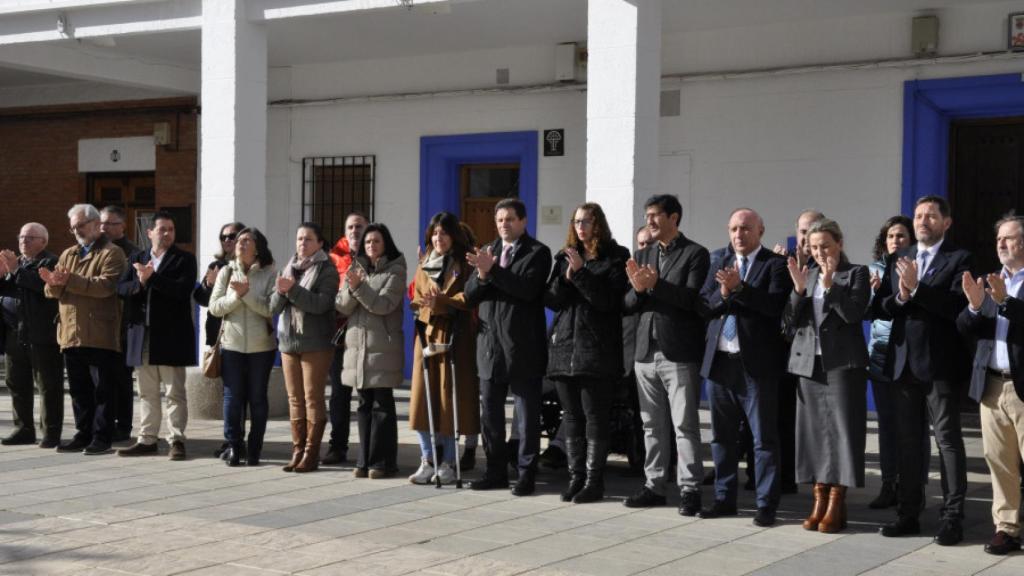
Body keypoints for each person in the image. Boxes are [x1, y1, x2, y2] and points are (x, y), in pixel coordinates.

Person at [874, 195, 972, 545]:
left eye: (931, 216)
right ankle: (909, 512)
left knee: (947, 440)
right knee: (908, 442)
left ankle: (952, 516)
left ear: (946, 222)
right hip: (903, 365)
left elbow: (956, 307)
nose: (922, 222)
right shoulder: (902, 257)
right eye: (918, 216)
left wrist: (917, 289)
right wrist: (901, 297)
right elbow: (882, 306)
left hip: (939, 365)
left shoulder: (960, 259)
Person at [698, 207, 791, 527]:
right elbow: (705, 305)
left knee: (763, 438)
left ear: (760, 232)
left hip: (756, 366)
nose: (739, 235)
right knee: (721, 438)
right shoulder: (717, 261)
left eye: (747, 229)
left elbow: (774, 306)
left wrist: (740, 289)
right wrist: (724, 293)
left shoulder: (775, 265)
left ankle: (766, 503)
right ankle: (724, 498)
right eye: (735, 229)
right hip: (721, 362)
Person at [621, 195, 710, 515]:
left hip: (679, 352)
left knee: (684, 425)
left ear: (674, 217)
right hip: (645, 351)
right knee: (650, 425)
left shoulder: (695, 254)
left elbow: (691, 299)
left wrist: (655, 285)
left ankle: (690, 489)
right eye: (647, 216)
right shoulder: (643, 252)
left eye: (656, 215)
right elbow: (628, 304)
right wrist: (640, 289)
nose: (650, 221)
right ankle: (654, 485)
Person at [783, 218, 870, 533]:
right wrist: (798, 290)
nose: (819, 252)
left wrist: (832, 286)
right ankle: (818, 497)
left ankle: (836, 499)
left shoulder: (856, 273)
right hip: (809, 366)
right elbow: (788, 324)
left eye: (826, 246)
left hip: (842, 366)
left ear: (840, 244)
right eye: (814, 247)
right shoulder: (807, 275)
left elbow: (854, 314)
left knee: (842, 434)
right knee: (814, 436)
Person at [464, 198, 552, 496]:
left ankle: (526, 473)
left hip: (523, 346)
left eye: (510, 219)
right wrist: (483, 273)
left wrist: (494, 272)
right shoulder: (488, 251)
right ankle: (495, 471)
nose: (504, 224)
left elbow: (527, 290)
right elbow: (470, 295)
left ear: (524, 221)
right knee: (490, 414)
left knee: (526, 416)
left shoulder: (538, 253)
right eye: (500, 219)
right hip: (490, 347)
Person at [545, 202, 628, 503]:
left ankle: (594, 481)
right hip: (565, 347)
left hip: (597, 350)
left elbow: (608, 301)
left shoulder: (616, 257)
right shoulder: (564, 255)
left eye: (587, 221)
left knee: (595, 417)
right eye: (577, 221)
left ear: (599, 224)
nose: (581, 227)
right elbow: (553, 301)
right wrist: (566, 277)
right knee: (572, 417)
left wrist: (580, 274)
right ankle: (575, 477)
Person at [957, 214, 1024, 555]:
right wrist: (973, 305)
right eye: (999, 239)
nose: (1001, 244)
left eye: (1009, 238)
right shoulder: (989, 280)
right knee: (999, 461)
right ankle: (1007, 528)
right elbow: (967, 329)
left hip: (1022, 387)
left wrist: (1006, 304)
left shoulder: (1005, 289)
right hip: (992, 385)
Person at [42, 204, 127, 455]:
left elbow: (106, 287)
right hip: (70, 332)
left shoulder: (113, 253)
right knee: (79, 390)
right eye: (73, 228)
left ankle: (102, 437)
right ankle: (83, 433)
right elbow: (51, 292)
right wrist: (53, 283)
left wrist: (69, 281)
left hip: (99, 332)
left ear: (95, 224)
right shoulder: (68, 254)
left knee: (102, 390)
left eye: (80, 225)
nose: (76, 231)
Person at [115, 212, 198, 461]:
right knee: (146, 392)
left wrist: (152, 279)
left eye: (171, 229)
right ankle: (147, 439)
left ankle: (176, 440)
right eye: (162, 229)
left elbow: (183, 291)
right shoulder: (136, 258)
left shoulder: (184, 259)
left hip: (170, 336)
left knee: (174, 392)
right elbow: (120, 288)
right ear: (149, 232)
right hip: (142, 335)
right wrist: (139, 284)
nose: (167, 234)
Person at [408, 212, 480, 485]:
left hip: (455, 339)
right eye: (435, 234)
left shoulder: (464, 264)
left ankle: (448, 461)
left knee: (448, 400)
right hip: (426, 337)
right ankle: (427, 460)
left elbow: (469, 296)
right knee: (421, 401)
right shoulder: (425, 261)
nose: (439, 238)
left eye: (444, 233)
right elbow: (415, 299)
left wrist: (444, 302)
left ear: (454, 236)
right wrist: (430, 305)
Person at [866, 215, 928, 509]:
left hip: (909, 356)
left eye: (902, 236)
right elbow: (867, 311)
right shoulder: (874, 271)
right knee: (888, 425)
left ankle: (915, 483)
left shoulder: (918, 267)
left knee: (915, 426)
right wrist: (872, 291)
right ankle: (889, 483)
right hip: (881, 356)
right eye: (891, 236)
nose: (896, 241)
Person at [336, 223, 406, 479]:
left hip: (383, 347)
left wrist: (358, 287)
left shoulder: (396, 270)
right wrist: (354, 285)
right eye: (367, 242)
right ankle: (363, 460)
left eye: (376, 241)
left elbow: (384, 304)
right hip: (358, 348)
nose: (371, 246)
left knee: (382, 405)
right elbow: (342, 306)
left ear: (385, 243)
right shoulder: (356, 270)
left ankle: (383, 462)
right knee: (363, 405)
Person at [271, 222, 340, 473]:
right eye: (299, 238)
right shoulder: (289, 268)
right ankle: (297, 450)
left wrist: (292, 290)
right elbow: (273, 308)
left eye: (308, 239)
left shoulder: (327, 269)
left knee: (312, 398)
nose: (302, 243)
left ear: (320, 243)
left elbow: (321, 304)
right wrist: (282, 292)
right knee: (294, 399)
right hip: (289, 342)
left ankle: (311, 453)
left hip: (316, 344)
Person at [209, 227, 277, 467]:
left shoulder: (269, 273)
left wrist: (246, 294)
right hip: (232, 346)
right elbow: (215, 307)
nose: (241, 243)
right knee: (232, 398)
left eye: (247, 240)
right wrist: (235, 298)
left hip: (261, 347)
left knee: (257, 398)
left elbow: (270, 309)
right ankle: (234, 447)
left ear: (258, 247)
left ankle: (255, 447)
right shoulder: (226, 271)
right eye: (239, 240)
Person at [0, 223, 63, 448]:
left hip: (41, 335)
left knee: (48, 385)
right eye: (21, 237)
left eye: (29, 238)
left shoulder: (50, 262)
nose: (23, 242)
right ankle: (23, 428)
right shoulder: (16, 263)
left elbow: (40, 286)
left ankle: (51, 432)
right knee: (16, 383)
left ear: (43, 242)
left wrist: (15, 270)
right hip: (13, 333)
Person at [192, 221, 245, 459]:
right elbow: (202, 300)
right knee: (229, 392)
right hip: (219, 336)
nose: (227, 240)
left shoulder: (249, 266)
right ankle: (231, 439)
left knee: (241, 392)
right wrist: (208, 284)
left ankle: (239, 439)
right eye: (223, 237)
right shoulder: (217, 265)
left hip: (244, 336)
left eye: (232, 236)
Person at [324, 212, 367, 465]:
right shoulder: (333, 259)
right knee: (339, 395)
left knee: (366, 395)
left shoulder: (374, 255)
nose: (355, 231)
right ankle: (337, 446)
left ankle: (367, 448)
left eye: (359, 226)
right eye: (350, 226)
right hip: (339, 335)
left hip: (366, 334)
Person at [101, 205, 142, 442]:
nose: (104, 228)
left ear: (122, 226)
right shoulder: (98, 249)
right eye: (102, 223)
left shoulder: (132, 253)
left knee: (121, 378)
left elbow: (132, 288)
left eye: (110, 224)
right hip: (100, 324)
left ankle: (123, 424)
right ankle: (105, 422)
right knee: (103, 378)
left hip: (123, 324)